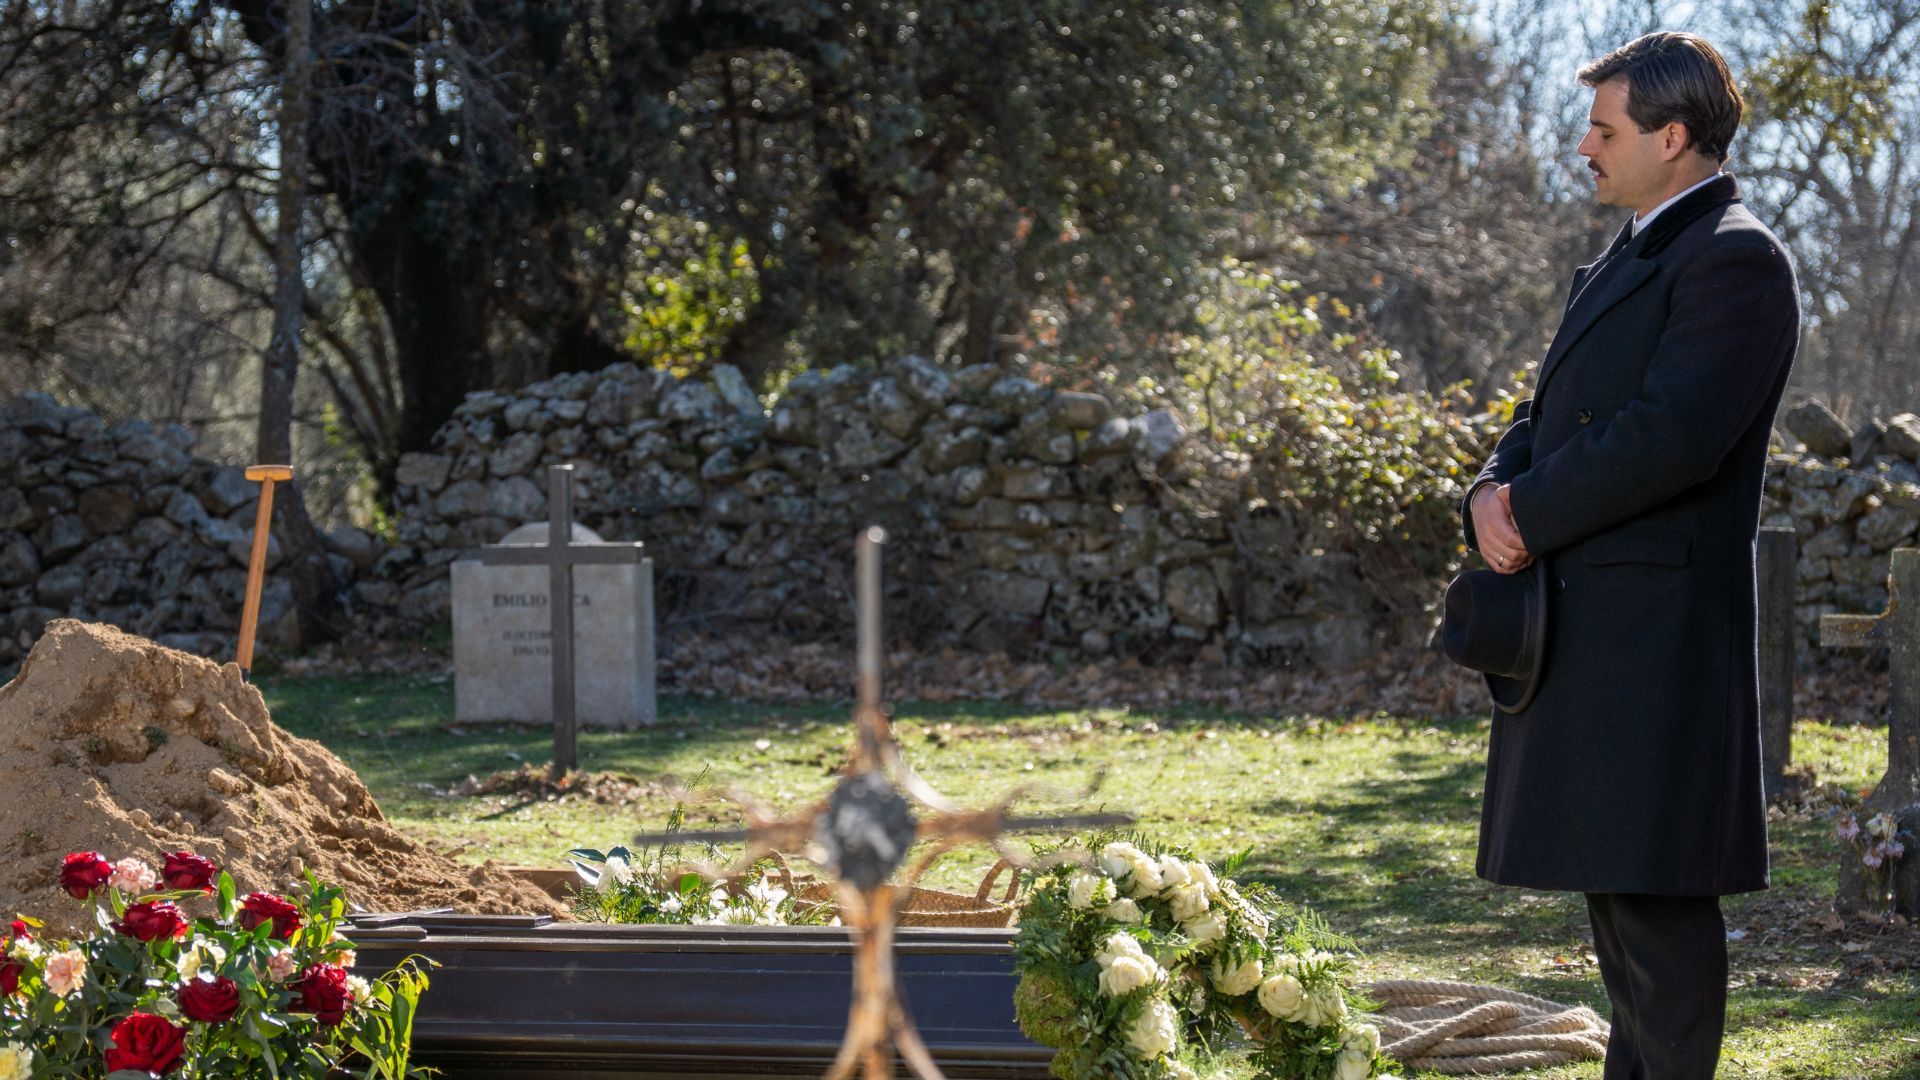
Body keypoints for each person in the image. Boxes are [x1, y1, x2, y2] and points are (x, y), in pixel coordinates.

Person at [1458, 32, 1800, 1080]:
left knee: (1658, 909)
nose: (1584, 148)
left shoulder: (1737, 258)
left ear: (1673, 136)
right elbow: (1545, 413)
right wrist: (1489, 492)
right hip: (1594, 632)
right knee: (1619, 910)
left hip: (1658, 643)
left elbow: (1671, 437)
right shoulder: (1626, 256)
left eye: (1603, 131)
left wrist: (1529, 510)